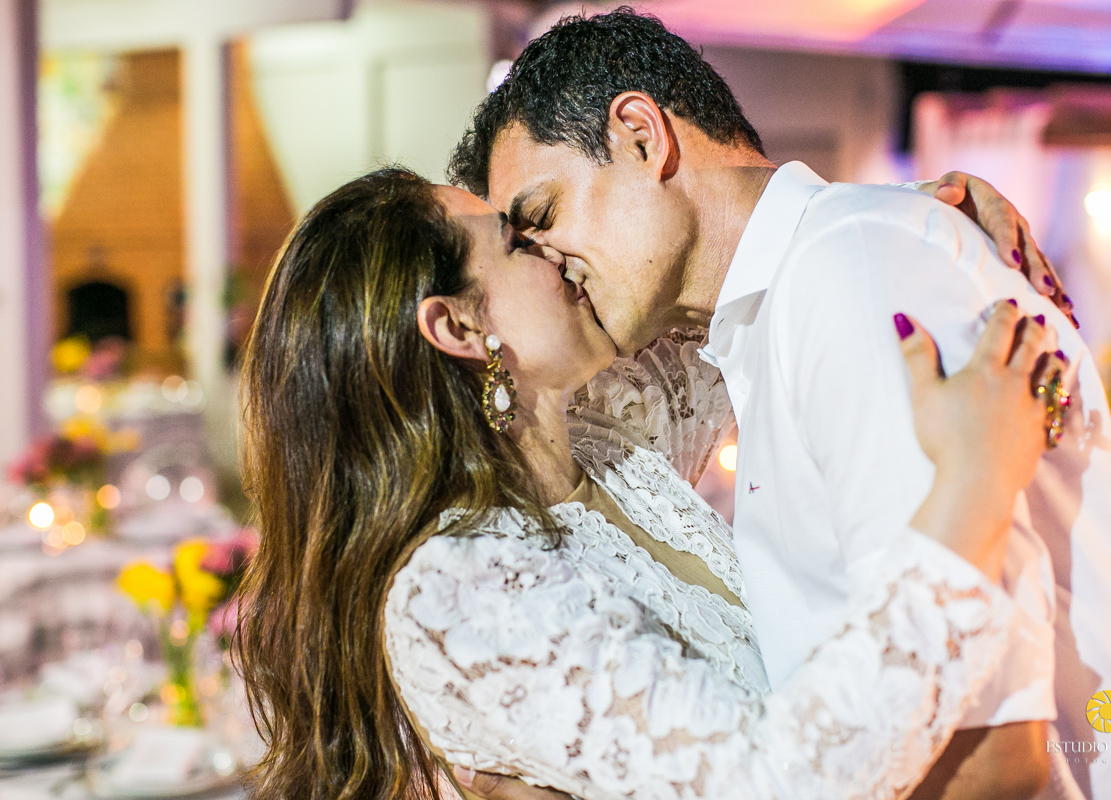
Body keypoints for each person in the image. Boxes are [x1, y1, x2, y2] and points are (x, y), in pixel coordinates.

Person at [446, 9, 1111, 800]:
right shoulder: (792, 299)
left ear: (641, 135)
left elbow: (986, 756)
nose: (548, 266)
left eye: (541, 217)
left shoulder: (850, 272)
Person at [237, 166, 1066, 800]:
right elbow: (772, 783)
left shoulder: (607, 432)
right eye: (517, 240)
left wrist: (908, 220)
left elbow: (746, 265)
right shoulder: (456, 590)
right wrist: (974, 484)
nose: (554, 250)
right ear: (457, 324)